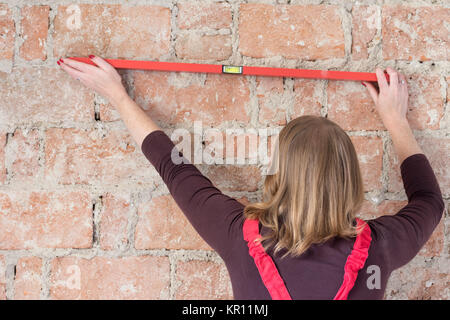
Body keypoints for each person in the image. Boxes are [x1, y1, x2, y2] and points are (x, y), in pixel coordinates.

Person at [57, 56, 444, 299]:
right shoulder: (381, 247)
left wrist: (117, 96)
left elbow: (174, 168)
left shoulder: (238, 235)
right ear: (349, 181)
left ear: (278, 172)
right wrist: (395, 117)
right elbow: (429, 202)